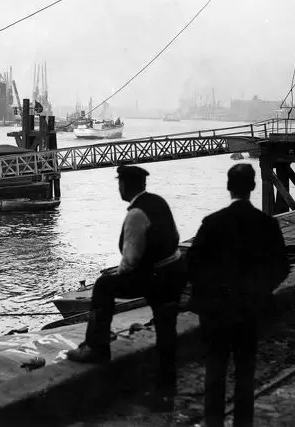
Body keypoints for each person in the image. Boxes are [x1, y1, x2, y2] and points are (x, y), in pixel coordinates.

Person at [66, 164, 187, 411]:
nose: (118, 187)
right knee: (166, 330)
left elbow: (131, 260)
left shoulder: (136, 214)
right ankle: (166, 392)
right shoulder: (158, 202)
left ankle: (96, 347)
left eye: (119, 183)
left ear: (125, 185)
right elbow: (171, 237)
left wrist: (118, 272)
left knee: (103, 286)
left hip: (154, 277)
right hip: (173, 272)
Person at [186, 164, 289, 427]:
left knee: (215, 371)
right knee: (245, 373)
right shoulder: (267, 224)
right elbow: (282, 267)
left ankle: (214, 423)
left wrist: (207, 296)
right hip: (249, 310)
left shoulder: (212, 223)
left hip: (217, 312)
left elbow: (193, 265)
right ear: (253, 187)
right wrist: (260, 290)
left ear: (229, 187)